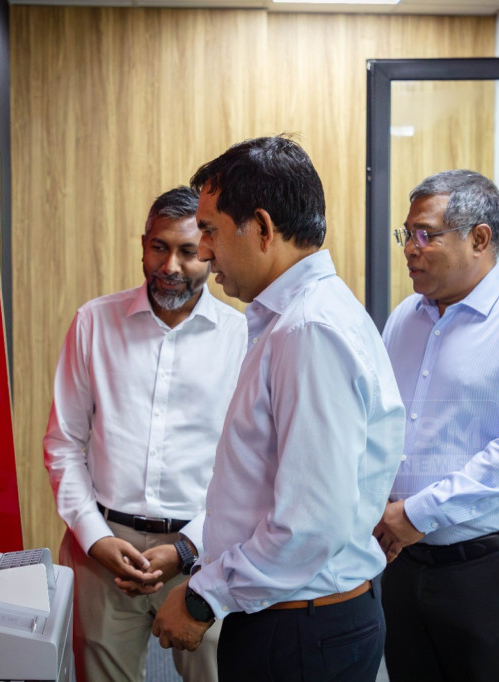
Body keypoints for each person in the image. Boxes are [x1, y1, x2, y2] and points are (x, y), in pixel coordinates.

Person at [151, 135, 405, 681]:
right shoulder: (294, 320)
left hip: (300, 628)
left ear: (263, 228)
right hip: (288, 614)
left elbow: (310, 524)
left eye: (210, 230)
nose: (204, 251)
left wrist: (202, 598)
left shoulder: (307, 330)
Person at [373, 170, 499, 681]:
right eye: (406, 234)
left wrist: (416, 513)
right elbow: (381, 422)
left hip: (488, 572)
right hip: (402, 560)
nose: (410, 248)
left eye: (425, 234)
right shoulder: (403, 318)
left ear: (480, 239)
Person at [43, 186, 246, 682]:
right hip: (102, 550)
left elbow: (249, 466)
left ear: (210, 251)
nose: (170, 266)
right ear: (143, 244)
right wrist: (94, 537)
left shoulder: (242, 337)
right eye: (159, 247)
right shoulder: (93, 323)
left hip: (206, 551)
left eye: (188, 251)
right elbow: (64, 444)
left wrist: (186, 548)